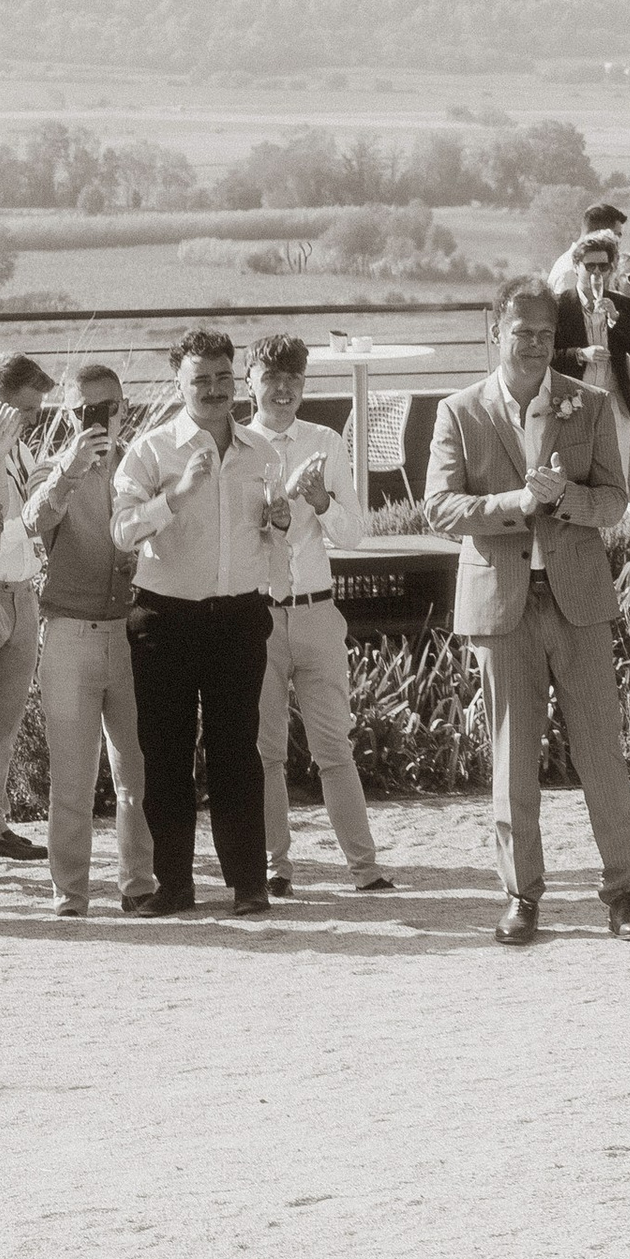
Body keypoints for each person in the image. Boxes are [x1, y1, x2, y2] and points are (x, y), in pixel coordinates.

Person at [425, 278, 630, 947]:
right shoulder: (458, 411)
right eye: (521, 331)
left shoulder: (590, 403)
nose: (533, 344)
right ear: (495, 330)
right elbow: (440, 508)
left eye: (546, 334)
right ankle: (522, 896)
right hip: (502, 605)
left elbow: (615, 502)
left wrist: (563, 501)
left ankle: (622, 894)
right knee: (512, 758)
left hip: (578, 601)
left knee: (602, 755)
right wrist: (514, 504)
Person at [113, 328, 289, 916]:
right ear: (178, 383)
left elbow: (266, 535)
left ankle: (247, 884)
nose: (213, 389)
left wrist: (279, 523)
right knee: (164, 754)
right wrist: (178, 495)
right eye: (200, 379)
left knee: (238, 752)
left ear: (235, 378)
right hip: (165, 620)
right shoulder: (151, 450)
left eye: (221, 377)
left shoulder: (262, 452)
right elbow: (121, 531)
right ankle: (176, 887)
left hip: (238, 617)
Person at [246, 334, 393, 899]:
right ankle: (274, 868)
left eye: (293, 380)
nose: (282, 390)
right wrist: (274, 512)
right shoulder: (238, 444)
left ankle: (364, 867)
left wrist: (321, 500)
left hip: (315, 610)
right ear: (250, 381)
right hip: (257, 615)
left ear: (304, 384)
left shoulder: (326, 440)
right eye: (271, 378)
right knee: (266, 751)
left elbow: (355, 533)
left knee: (335, 746)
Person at [23, 363, 152, 916]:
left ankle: (139, 885)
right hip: (71, 632)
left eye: (107, 408)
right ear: (68, 415)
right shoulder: (54, 470)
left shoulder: (142, 466)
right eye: (83, 411)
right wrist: (70, 470)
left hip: (132, 633)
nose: (96, 420)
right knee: (71, 778)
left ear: (123, 410)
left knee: (137, 773)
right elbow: (34, 518)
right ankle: (71, 893)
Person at [0, 351, 55, 859]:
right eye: (25, 409)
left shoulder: (22, 451)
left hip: (20, 590)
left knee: (7, 720)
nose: (34, 419)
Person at [556, 229, 630, 515]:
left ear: (612, 269)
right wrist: (580, 354)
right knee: (579, 474)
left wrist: (616, 319)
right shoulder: (561, 305)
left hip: (614, 404)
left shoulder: (621, 304)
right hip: (573, 404)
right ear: (576, 268)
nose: (597, 273)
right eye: (590, 266)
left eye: (604, 266)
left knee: (617, 475)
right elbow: (549, 356)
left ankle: (619, 530)